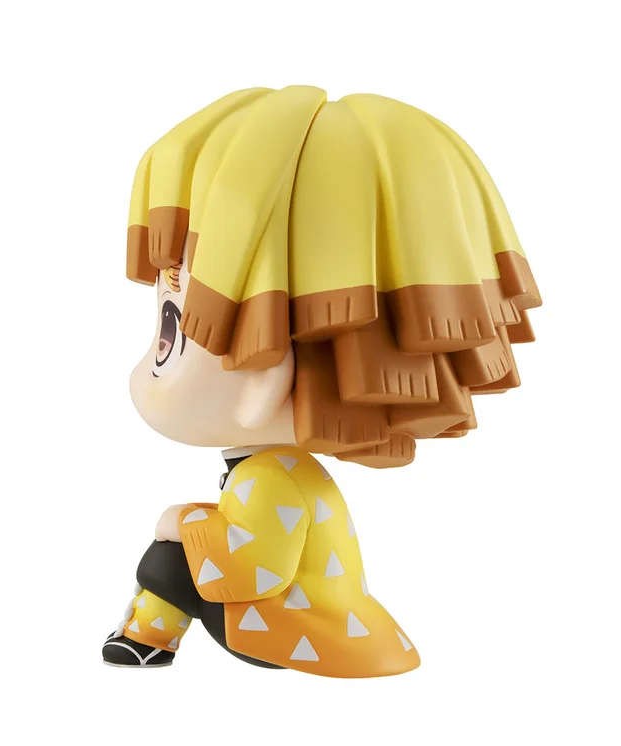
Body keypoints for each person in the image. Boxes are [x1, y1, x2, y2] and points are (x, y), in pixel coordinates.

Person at [102, 86, 541, 677]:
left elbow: (253, 572)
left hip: (285, 631)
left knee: (167, 558)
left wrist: (180, 521)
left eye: (170, 331)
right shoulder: (277, 473)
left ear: (263, 379)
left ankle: (147, 639)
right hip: (303, 619)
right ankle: (147, 636)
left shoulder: (271, 478)